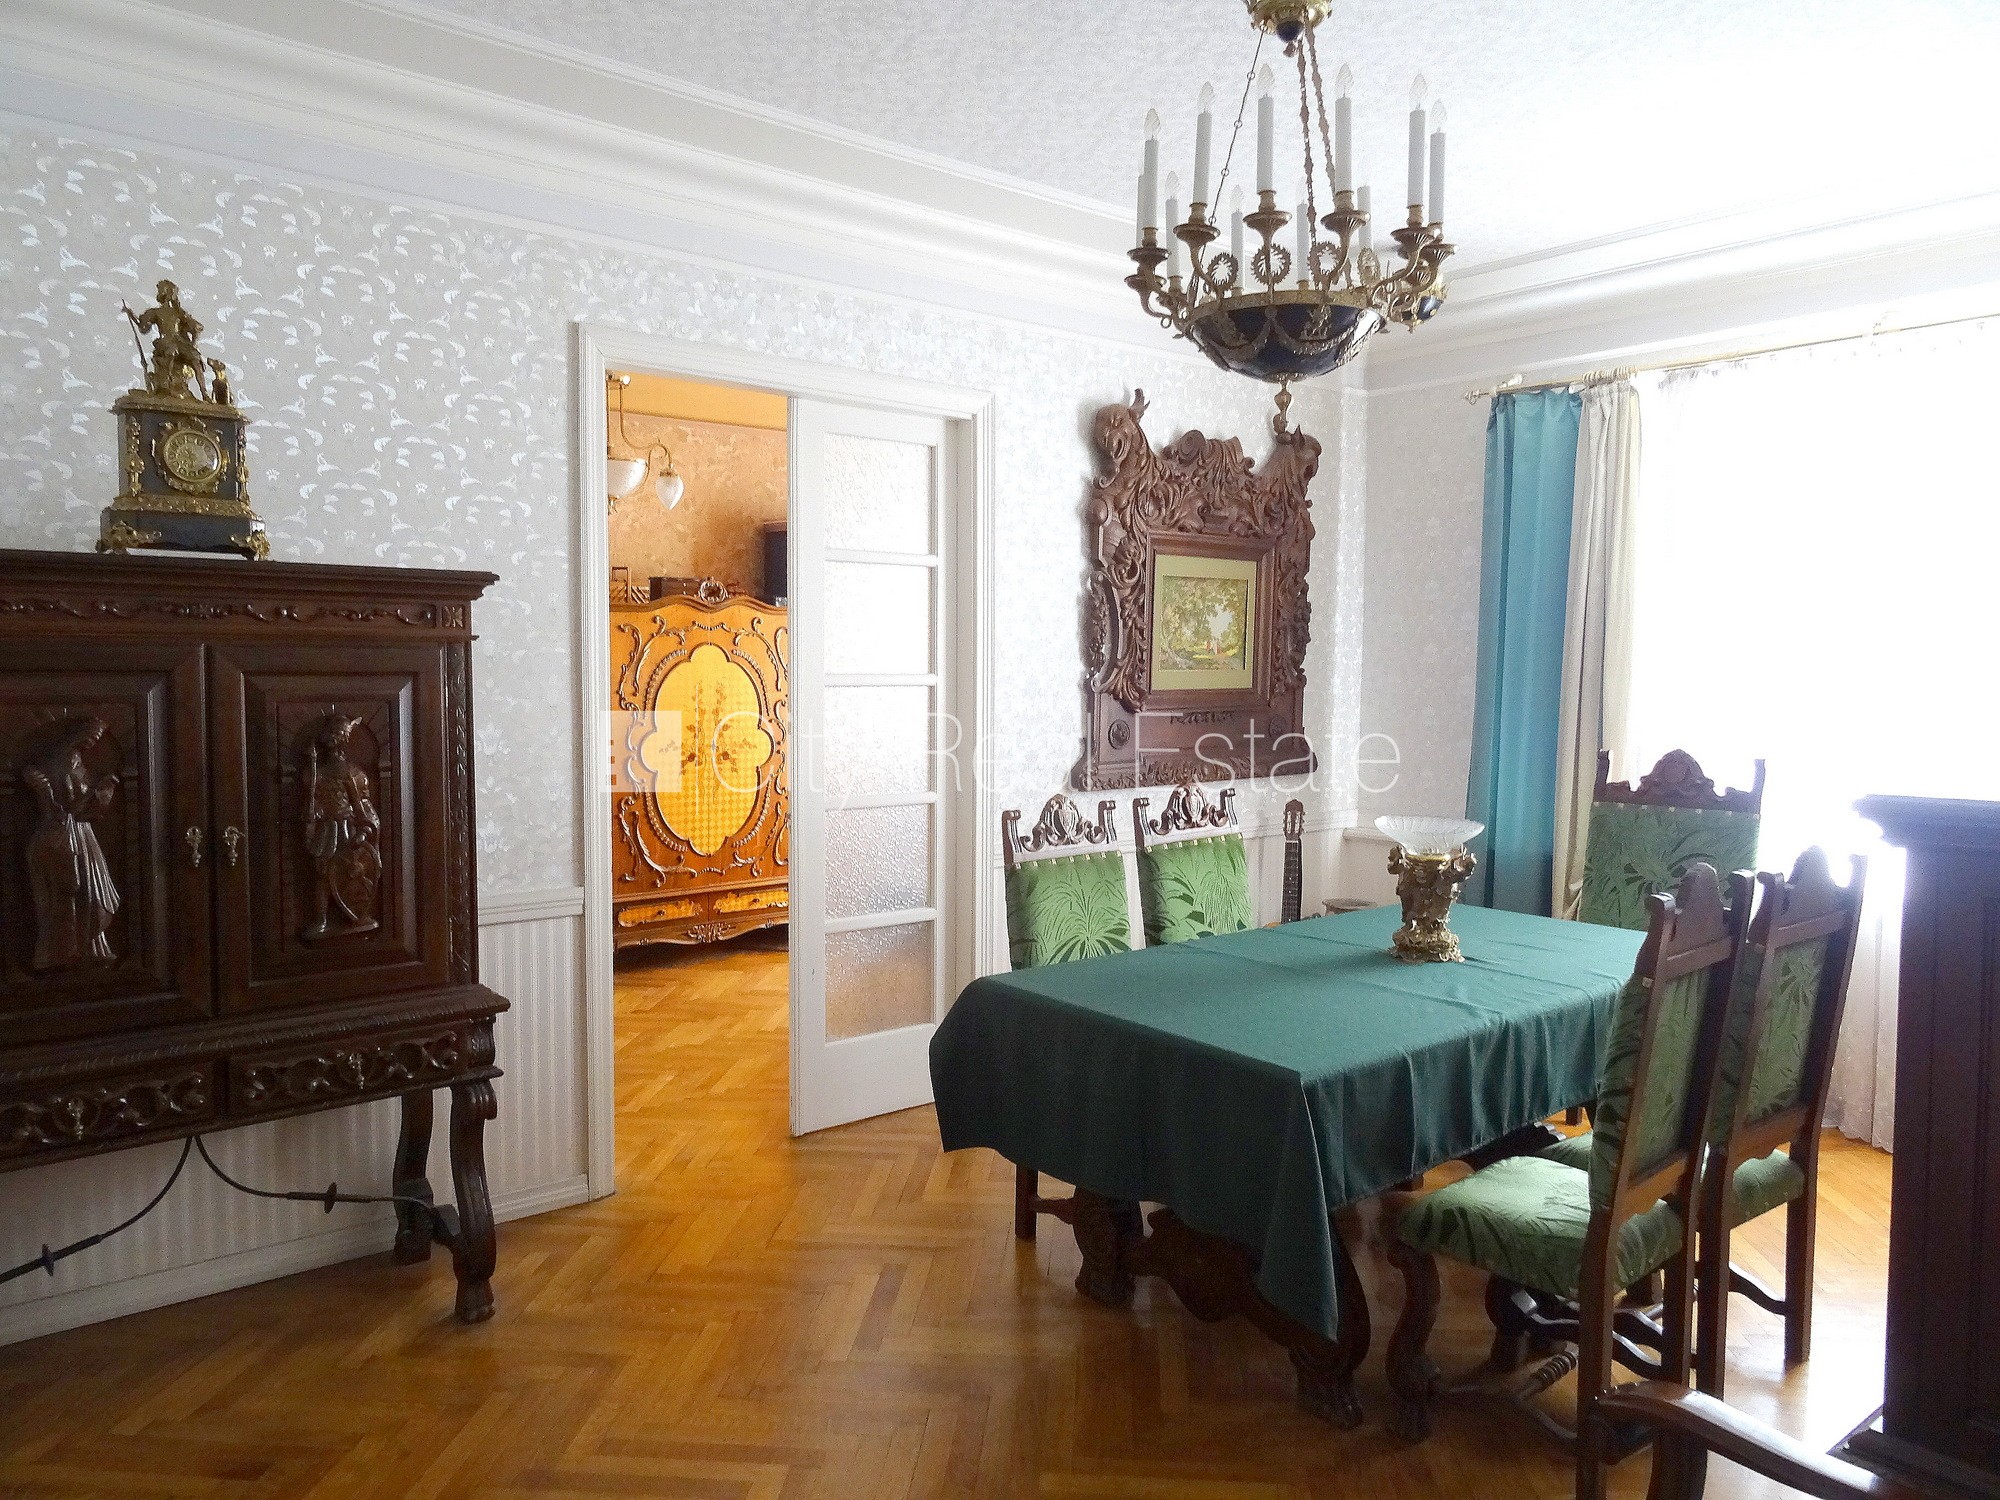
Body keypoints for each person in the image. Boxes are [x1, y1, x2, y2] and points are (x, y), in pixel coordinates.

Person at [25, 718, 121, 969]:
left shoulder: (77, 760)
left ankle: (89, 949)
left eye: (97, 737)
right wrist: (99, 794)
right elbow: (69, 804)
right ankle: (65, 952)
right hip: (67, 832)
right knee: (73, 889)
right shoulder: (61, 761)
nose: (93, 741)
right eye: (91, 735)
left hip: (80, 832)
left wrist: (100, 795)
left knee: (90, 890)